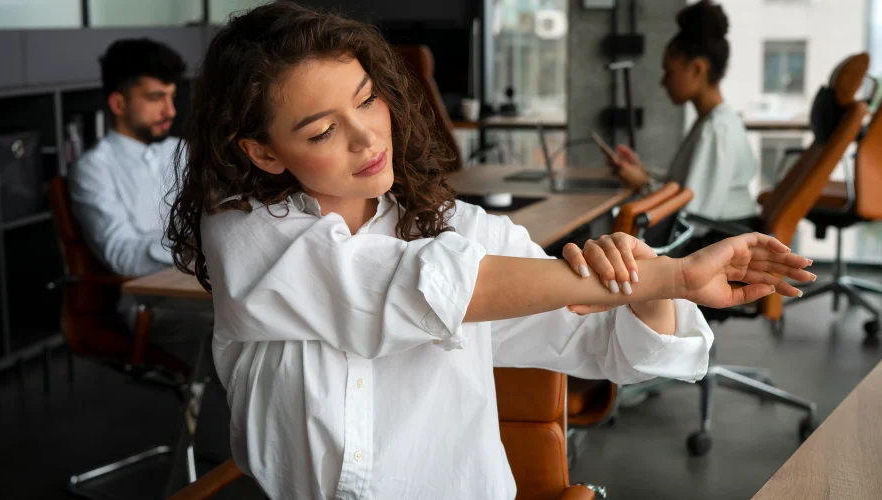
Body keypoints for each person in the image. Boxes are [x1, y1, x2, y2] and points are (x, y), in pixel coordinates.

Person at [165, 3, 815, 499]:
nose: (367, 138)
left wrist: (643, 284)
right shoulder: (243, 233)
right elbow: (401, 286)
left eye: (369, 101)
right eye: (324, 129)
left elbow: (613, 347)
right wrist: (666, 272)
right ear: (262, 151)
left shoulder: (469, 232)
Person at [609, 0, 759, 226]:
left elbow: (691, 216)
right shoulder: (712, 122)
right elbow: (683, 187)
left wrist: (643, 185)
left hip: (717, 239)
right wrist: (644, 172)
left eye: (669, 73)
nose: (663, 83)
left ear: (698, 69)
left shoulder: (717, 130)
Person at [69, 38, 187, 277]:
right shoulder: (94, 168)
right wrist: (195, 247)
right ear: (119, 104)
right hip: (155, 301)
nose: (170, 111)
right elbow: (123, 255)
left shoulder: (183, 150)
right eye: (156, 98)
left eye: (171, 96)